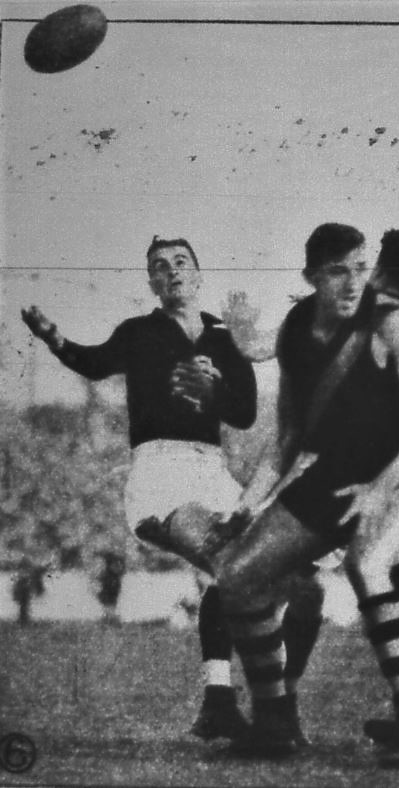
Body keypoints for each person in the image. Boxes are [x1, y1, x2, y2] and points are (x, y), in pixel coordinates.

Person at [20, 236, 321, 742]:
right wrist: (53, 339)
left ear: (199, 274)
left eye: (181, 262)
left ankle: (237, 703)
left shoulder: (224, 338)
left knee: (298, 583)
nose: (172, 271)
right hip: (160, 471)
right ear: (152, 283)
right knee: (233, 567)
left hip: (215, 470)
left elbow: (244, 413)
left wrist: (215, 389)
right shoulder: (140, 332)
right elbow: (93, 363)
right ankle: (262, 713)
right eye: (159, 267)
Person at [202, 223, 399, 768]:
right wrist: (247, 506)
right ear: (311, 276)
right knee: (238, 576)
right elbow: (288, 436)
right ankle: (274, 723)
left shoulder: (395, 324)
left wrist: (380, 489)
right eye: (338, 271)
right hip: (339, 471)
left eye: (362, 267)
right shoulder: (295, 329)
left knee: (368, 563)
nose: (353, 282)